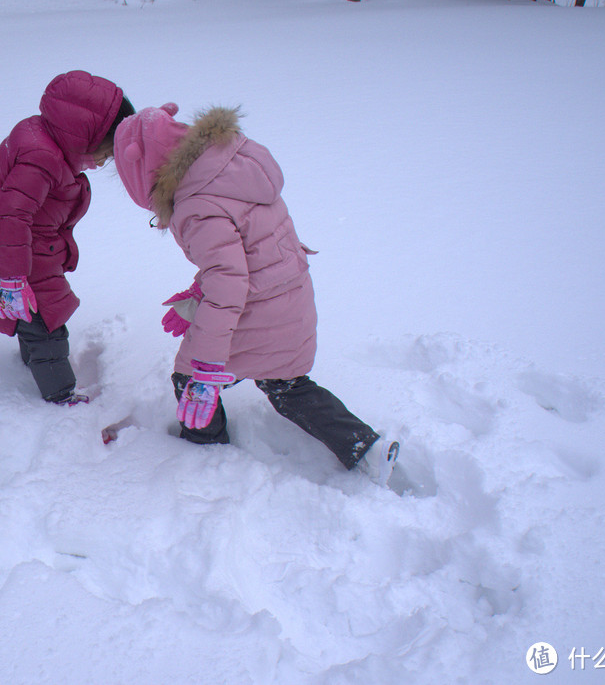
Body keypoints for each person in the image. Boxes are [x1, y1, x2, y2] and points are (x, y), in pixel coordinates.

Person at [113, 103, 399, 483]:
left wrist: (208, 368)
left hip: (259, 308)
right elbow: (248, 253)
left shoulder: (197, 207)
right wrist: (199, 293)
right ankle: (365, 447)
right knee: (286, 383)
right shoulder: (226, 169)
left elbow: (229, 283)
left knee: (191, 379)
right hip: (289, 299)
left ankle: (205, 457)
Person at [0, 71, 134, 404]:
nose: (103, 162)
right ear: (90, 134)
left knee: (32, 319)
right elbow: (11, 216)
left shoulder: (41, 135)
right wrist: (13, 280)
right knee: (48, 329)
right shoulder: (42, 157)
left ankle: (31, 358)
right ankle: (60, 395)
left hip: (17, 253)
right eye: (106, 152)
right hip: (16, 262)